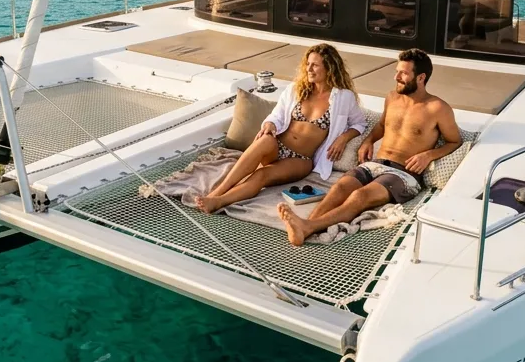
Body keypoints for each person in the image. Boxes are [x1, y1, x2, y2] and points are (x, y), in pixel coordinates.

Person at [278, 48, 461, 246]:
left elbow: (455, 141)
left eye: (403, 73)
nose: (396, 76)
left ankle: (308, 226)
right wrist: (368, 141)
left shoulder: (438, 108)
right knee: (340, 187)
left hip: (404, 174)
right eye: (397, 71)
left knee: (360, 195)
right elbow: (382, 126)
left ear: (421, 77)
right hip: (375, 164)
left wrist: (428, 155)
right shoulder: (392, 97)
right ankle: (304, 225)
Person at [197, 43, 366, 214]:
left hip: (300, 159)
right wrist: (269, 124)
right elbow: (276, 116)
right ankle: (217, 192)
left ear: (329, 68)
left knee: (262, 176)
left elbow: (359, 123)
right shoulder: (296, 90)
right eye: (307, 64)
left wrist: (343, 138)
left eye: (315, 65)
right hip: (276, 146)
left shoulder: (344, 97)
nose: (309, 69)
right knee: (264, 139)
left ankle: (219, 201)